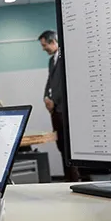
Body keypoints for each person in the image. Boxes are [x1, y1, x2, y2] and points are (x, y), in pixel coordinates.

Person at [39, 30, 79, 182]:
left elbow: (67, 82)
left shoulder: (66, 56)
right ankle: (69, 179)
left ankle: (74, 179)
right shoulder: (52, 61)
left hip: (64, 109)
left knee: (68, 147)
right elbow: (50, 81)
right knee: (61, 146)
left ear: (53, 42)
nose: (43, 49)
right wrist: (45, 98)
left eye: (44, 45)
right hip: (55, 110)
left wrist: (53, 100)